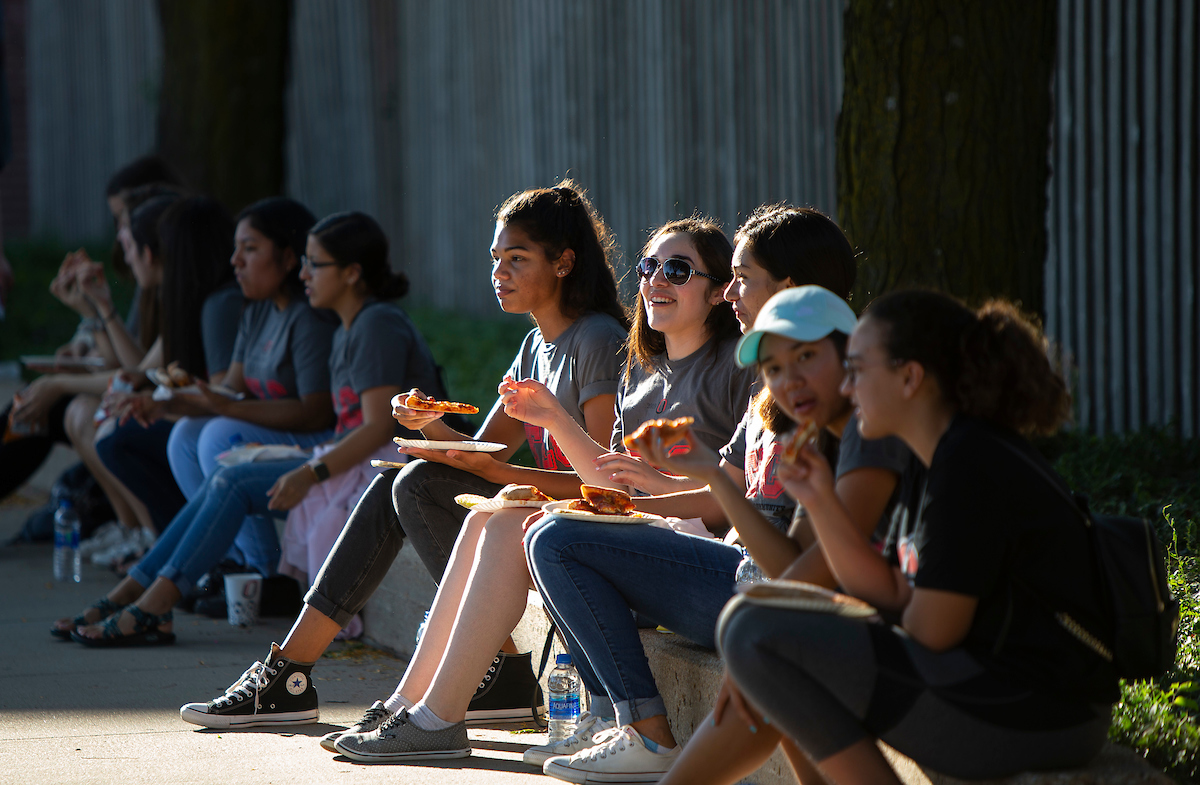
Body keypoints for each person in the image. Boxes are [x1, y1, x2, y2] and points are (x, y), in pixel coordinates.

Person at [178, 181, 629, 731]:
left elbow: (609, 486)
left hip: (580, 524)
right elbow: (479, 451)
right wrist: (429, 423)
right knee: (403, 478)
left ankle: (493, 669)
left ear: (563, 263)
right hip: (530, 512)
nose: (499, 273)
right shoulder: (535, 345)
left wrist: (496, 472)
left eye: (517, 259)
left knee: (414, 485)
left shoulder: (598, 340)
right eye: (495, 259)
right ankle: (290, 670)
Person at [325, 217, 752, 763]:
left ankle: (435, 718)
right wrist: (545, 419)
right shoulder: (641, 370)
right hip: (633, 538)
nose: (656, 281)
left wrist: (564, 440)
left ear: (720, 290)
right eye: (649, 267)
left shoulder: (736, 368)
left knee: (514, 526)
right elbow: (608, 481)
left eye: (677, 269)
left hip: (690, 557)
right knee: (489, 518)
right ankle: (413, 707)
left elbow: (719, 497)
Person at [720, 290, 1116, 783]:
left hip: (1042, 711)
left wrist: (792, 632)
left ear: (909, 378)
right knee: (760, 625)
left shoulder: (967, 464)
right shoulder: (931, 459)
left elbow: (931, 630)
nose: (848, 385)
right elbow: (894, 590)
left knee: (760, 633)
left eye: (858, 369)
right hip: (1006, 689)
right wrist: (820, 500)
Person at [524, 285, 916, 784]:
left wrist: (751, 631)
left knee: (767, 656)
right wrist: (709, 469)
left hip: (899, 651)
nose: (788, 379)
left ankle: (649, 734)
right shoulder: (808, 430)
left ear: (851, 355)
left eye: (807, 357)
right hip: (811, 623)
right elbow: (786, 564)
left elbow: (816, 579)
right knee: (766, 656)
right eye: (773, 368)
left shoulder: (867, 433)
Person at [56, 210, 441, 650]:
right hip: (353, 458)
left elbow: (377, 428)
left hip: (386, 466)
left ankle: (151, 602)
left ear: (352, 273)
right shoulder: (350, 326)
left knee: (233, 479)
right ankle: (138, 594)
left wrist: (308, 473)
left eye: (315, 264)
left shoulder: (376, 324)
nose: (303, 273)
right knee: (226, 473)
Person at [163, 197, 337, 498]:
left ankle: (258, 548)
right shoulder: (256, 311)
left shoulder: (309, 318)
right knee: (185, 434)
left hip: (322, 437)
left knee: (216, 437)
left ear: (288, 257)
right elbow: (231, 389)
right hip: (282, 430)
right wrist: (161, 404)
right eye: (236, 248)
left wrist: (227, 407)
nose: (235, 260)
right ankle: (231, 547)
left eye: (250, 248)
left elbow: (316, 414)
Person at [93, 196, 242, 536]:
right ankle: (168, 551)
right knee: (117, 430)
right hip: (211, 426)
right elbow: (139, 372)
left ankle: (189, 549)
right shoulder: (194, 300)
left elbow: (223, 400)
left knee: (121, 439)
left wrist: (161, 406)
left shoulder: (219, 304)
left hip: (228, 431)